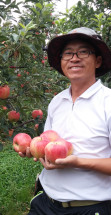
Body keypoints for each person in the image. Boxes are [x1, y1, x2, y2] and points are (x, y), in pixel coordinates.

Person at [21, 27, 111, 215]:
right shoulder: (57, 101)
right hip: (45, 203)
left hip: (90, 207)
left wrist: (78, 162)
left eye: (83, 51)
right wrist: (34, 151)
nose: (74, 58)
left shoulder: (108, 102)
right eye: (68, 53)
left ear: (98, 61)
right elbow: (48, 145)